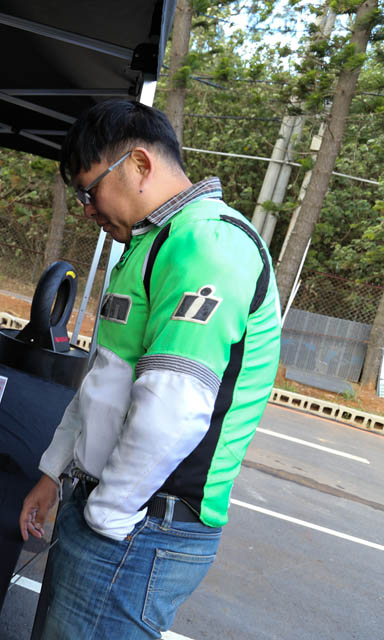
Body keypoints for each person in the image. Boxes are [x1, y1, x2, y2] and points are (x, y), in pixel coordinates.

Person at [19, 101, 281, 639]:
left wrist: (106, 517)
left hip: (139, 525)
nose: (88, 210)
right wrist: (54, 472)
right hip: (115, 512)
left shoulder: (207, 242)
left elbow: (175, 407)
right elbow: (103, 381)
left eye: (90, 191)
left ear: (139, 165)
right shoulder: (152, 243)